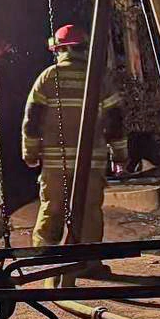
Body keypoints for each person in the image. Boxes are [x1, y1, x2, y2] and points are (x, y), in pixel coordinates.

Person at [22, 24, 128, 246]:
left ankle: (45, 262)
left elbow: (32, 120)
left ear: (59, 50)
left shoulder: (48, 78)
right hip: (91, 162)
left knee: (52, 210)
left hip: (55, 163)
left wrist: (30, 153)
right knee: (89, 213)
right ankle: (88, 263)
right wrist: (120, 156)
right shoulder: (99, 79)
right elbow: (115, 121)